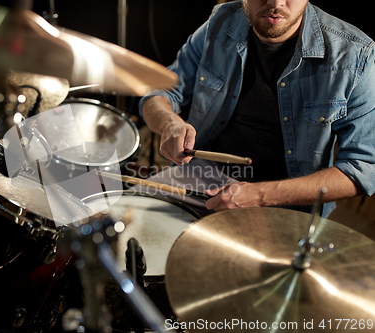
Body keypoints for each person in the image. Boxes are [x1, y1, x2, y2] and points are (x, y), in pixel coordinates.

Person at [138, 0, 375, 217]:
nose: (275, 3)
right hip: (202, 176)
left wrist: (261, 195)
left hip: (286, 201)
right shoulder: (221, 21)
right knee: (125, 228)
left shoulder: (353, 54)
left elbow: (362, 167)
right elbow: (158, 93)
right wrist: (169, 123)